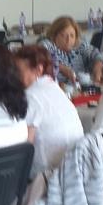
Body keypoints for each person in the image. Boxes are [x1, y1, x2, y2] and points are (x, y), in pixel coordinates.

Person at [14, 45, 83, 177]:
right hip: (73, 171)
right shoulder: (55, 89)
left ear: (38, 70)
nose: (14, 76)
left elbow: (23, 147)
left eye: (18, 71)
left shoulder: (30, 96)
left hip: (47, 176)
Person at [41, 16, 103, 86]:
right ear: (54, 35)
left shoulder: (80, 46)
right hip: (56, 89)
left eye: (72, 35)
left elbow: (98, 54)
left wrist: (97, 68)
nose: (68, 40)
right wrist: (61, 68)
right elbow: (41, 58)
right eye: (63, 35)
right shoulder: (47, 45)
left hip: (81, 89)